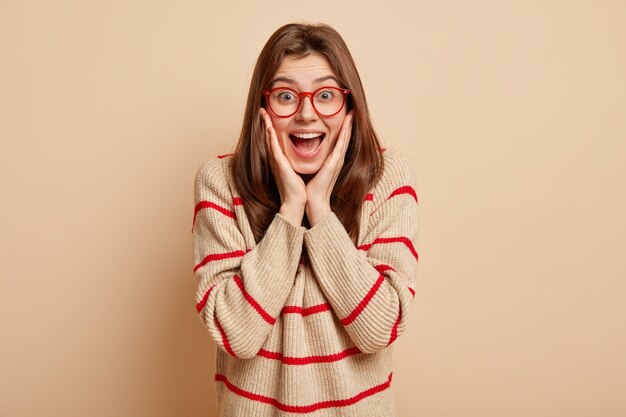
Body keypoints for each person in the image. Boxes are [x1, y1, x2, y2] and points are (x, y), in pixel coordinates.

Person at [192, 22, 419, 417]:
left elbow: (380, 328)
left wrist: (321, 210)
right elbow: (235, 335)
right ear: (262, 108)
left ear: (350, 107)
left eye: (326, 95)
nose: (306, 113)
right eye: (285, 96)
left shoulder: (388, 178)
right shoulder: (219, 182)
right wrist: (291, 209)